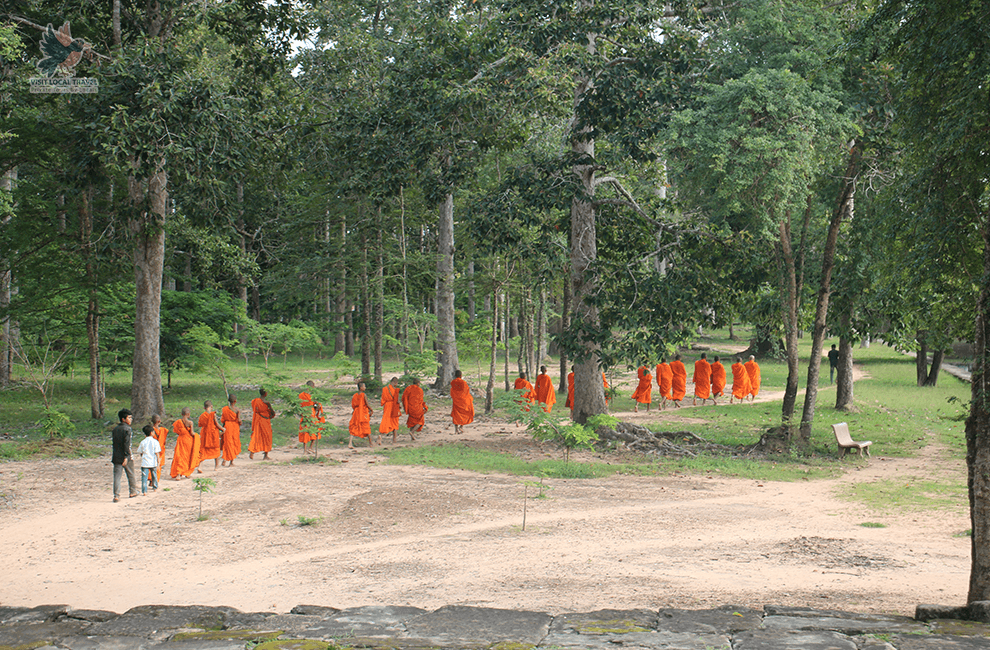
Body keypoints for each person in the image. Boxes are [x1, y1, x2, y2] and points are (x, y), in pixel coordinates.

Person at [111, 408, 138, 502]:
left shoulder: (115, 429)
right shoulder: (127, 429)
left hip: (116, 456)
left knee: (117, 476)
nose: (131, 419)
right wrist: (127, 456)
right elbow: (127, 444)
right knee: (130, 473)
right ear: (123, 419)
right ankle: (133, 491)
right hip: (126, 456)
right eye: (129, 418)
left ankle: (116, 495)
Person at [170, 407, 200, 480]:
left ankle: (178, 474)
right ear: (189, 414)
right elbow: (192, 433)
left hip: (181, 440)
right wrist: (197, 435)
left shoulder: (178, 422)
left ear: (181, 414)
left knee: (180, 456)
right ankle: (187, 473)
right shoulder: (190, 422)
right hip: (188, 441)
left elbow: (176, 431)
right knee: (188, 457)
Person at [298, 380, 324, 454]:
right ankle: (310, 448)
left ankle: (306, 449)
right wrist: (318, 407)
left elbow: (299, 406)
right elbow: (316, 405)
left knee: (306, 432)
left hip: (305, 415)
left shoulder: (301, 395)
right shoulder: (312, 396)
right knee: (313, 431)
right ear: (312, 387)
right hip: (310, 415)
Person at [249, 388, 275, 460]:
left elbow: (255, 410)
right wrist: (269, 406)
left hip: (258, 420)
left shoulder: (255, 401)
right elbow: (272, 413)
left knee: (256, 435)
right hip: (265, 421)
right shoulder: (266, 403)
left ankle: (252, 451)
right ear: (266, 393)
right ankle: (265, 455)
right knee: (267, 437)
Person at [137, 425, 162, 495]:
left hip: (145, 462)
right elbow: (157, 453)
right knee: (154, 475)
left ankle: (144, 491)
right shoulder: (155, 442)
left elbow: (140, 452)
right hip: (153, 462)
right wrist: (158, 461)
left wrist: (143, 457)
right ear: (151, 433)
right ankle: (155, 487)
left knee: (144, 477)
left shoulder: (143, 442)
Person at [197, 401, 222, 471]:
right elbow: (217, 424)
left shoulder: (202, 415)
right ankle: (217, 466)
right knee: (216, 448)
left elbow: (200, 425)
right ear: (211, 406)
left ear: (204, 408)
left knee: (202, 450)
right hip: (213, 434)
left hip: (204, 434)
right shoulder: (213, 415)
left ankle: (200, 467)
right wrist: (223, 429)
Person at [349, 381, 373, 449]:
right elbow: (367, 404)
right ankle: (371, 443)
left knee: (354, 426)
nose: (365, 387)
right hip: (362, 412)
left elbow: (353, 405)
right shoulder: (363, 395)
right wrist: (371, 410)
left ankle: (350, 443)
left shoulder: (355, 395)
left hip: (356, 412)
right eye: (364, 386)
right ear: (361, 387)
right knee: (366, 426)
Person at [379, 377, 403, 444]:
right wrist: (399, 405)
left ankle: (380, 436)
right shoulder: (395, 390)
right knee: (395, 422)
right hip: (394, 407)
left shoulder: (385, 389)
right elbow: (397, 400)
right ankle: (394, 440)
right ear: (395, 382)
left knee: (385, 421)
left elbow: (383, 399)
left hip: (387, 406)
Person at [450, 369, 474, 434]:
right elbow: (466, 391)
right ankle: (461, 426)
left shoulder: (453, 382)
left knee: (456, 415)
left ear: (455, 375)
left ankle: (456, 430)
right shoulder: (463, 382)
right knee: (465, 413)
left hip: (456, 401)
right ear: (461, 375)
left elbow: (452, 391)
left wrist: (455, 397)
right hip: (464, 401)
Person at [220, 394, 241, 466]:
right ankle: (231, 462)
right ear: (235, 401)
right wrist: (240, 422)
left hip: (227, 427)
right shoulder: (237, 410)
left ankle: (225, 459)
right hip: (234, 427)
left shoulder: (225, 409)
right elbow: (239, 420)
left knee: (227, 443)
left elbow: (222, 420)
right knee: (233, 443)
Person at [151, 414, 168, 484]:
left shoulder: (150, 430)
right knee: (158, 465)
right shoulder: (163, 430)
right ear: (159, 421)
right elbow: (165, 441)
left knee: (152, 465)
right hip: (160, 450)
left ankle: (151, 479)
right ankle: (155, 480)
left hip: (152, 450)